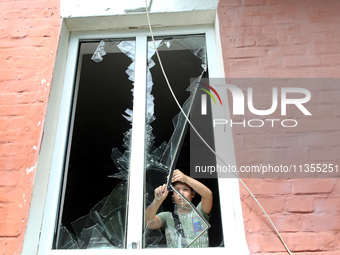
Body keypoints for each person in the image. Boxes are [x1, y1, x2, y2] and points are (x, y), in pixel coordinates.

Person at [145, 169, 213, 248]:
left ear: (193, 194)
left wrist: (186, 179)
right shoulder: (167, 217)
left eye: (185, 189)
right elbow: (148, 223)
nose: (181, 193)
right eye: (177, 190)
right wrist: (157, 201)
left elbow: (208, 195)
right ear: (173, 196)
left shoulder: (199, 212)